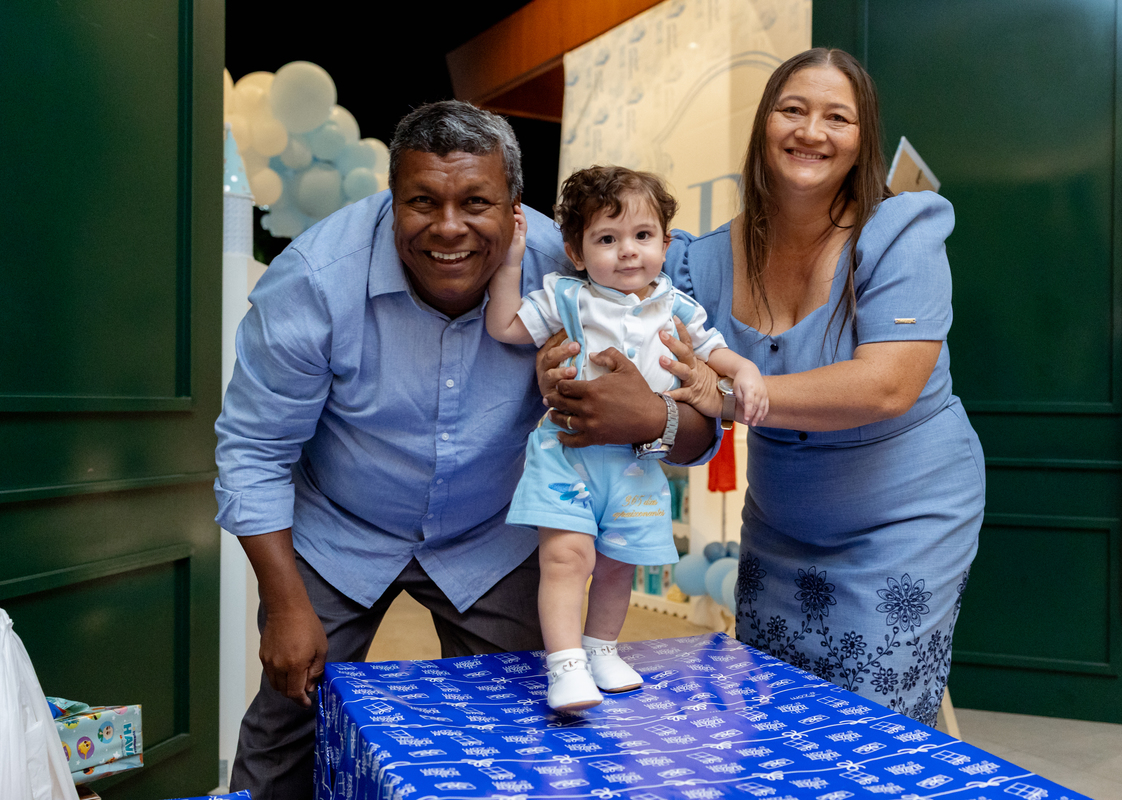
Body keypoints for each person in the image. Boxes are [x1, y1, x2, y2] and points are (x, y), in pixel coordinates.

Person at [214, 102, 717, 798]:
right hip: (339, 532)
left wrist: (648, 415)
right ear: (393, 199)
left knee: (526, 729)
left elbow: (699, 431)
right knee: (287, 724)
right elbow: (253, 450)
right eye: (422, 201)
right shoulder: (314, 279)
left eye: (476, 202)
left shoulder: (577, 265)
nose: (448, 226)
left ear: (515, 206)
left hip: (494, 534)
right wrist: (285, 605)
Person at [565, 49, 986, 727]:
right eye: (793, 109)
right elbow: (684, 403)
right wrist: (638, 405)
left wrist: (729, 396)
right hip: (780, 523)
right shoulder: (700, 260)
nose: (811, 131)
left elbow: (887, 386)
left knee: (869, 723)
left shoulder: (901, 230)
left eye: (837, 117)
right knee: (773, 711)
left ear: (863, 138)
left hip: (904, 517)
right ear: (764, 123)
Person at [486, 166, 766, 711]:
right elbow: (504, 327)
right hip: (569, 454)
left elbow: (714, 351)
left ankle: (601, 649)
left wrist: (746, 371)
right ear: (576, 251)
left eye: (642, 235)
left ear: (665, 243)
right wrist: (512, 263)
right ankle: (565, 665)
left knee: (620, 563)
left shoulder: (678, 306)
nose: (628, 251)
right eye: (607, 239)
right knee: (567, 560)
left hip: (637, 462)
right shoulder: (568, 297)